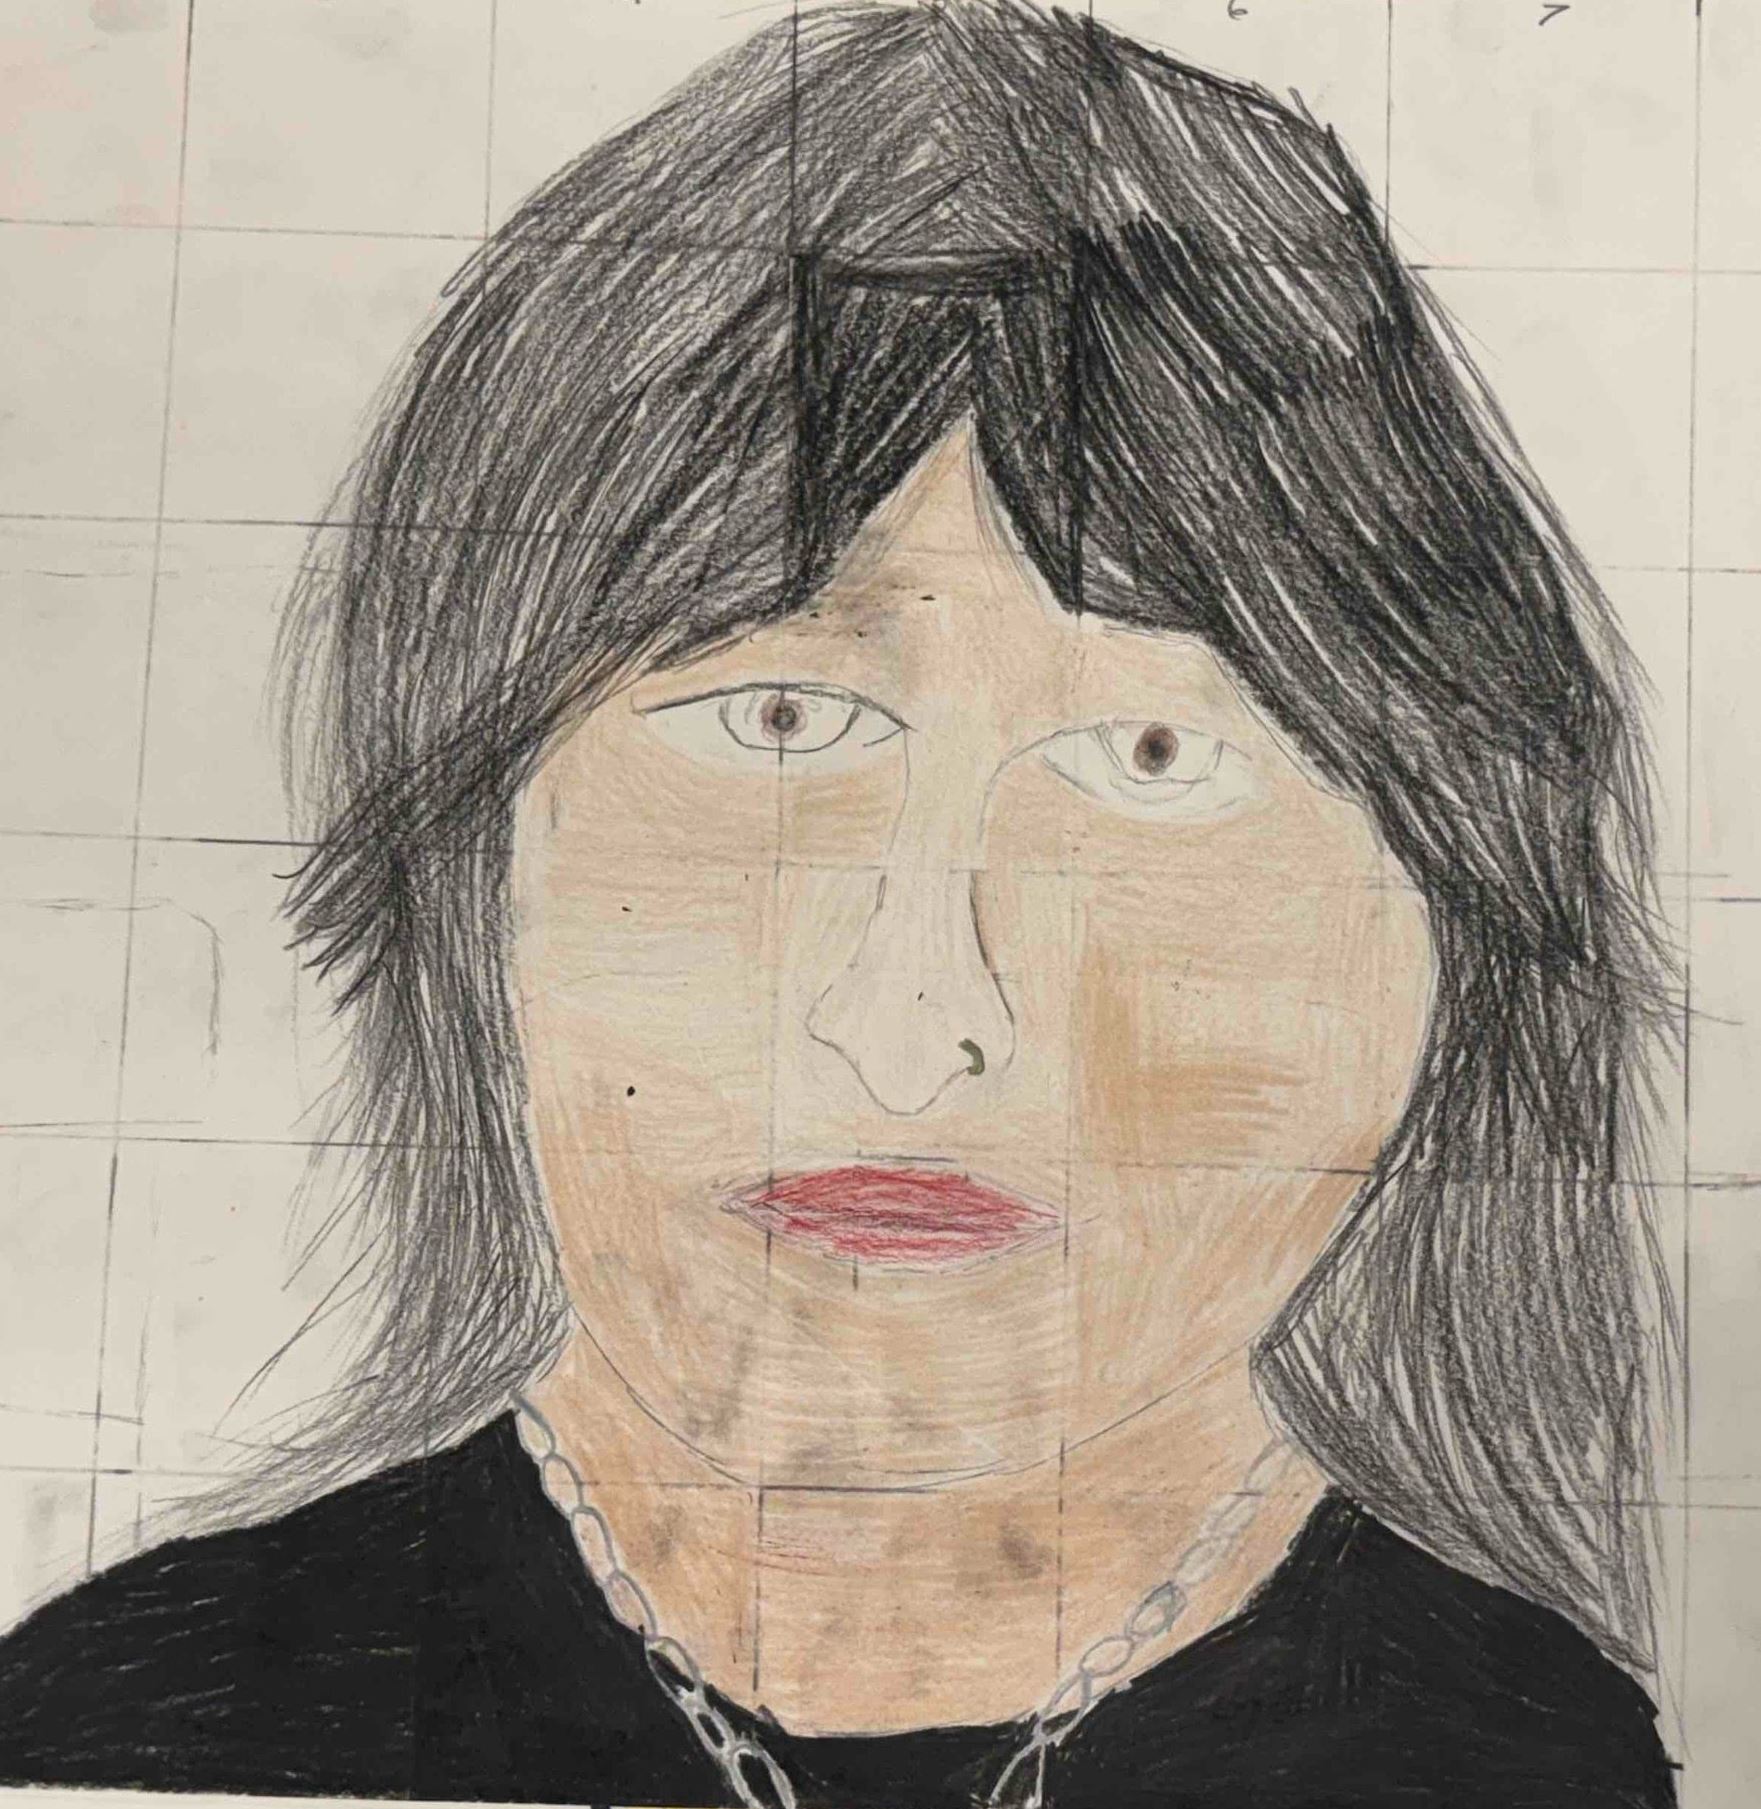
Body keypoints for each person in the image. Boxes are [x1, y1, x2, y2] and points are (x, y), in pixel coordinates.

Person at [0, 3, 1678, 1803]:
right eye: (779, 721)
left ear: (1450, 916)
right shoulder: (134, 1721)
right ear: (476, 863)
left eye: (1148, 756)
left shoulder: (1539, 1759)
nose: (912, 1015)